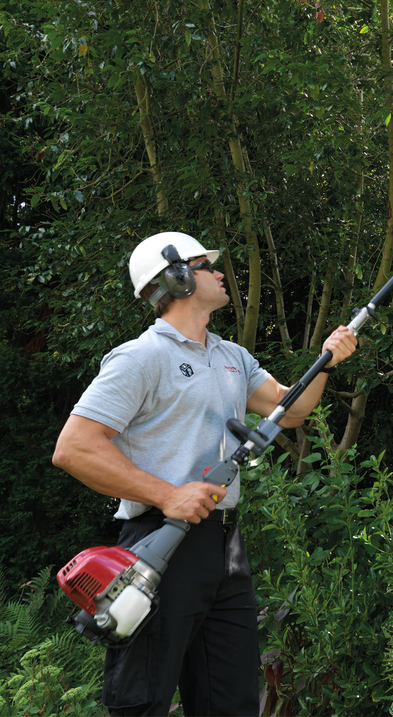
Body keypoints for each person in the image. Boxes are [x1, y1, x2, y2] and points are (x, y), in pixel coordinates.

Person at [52, 231, 357, 716]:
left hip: (224, 548)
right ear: (176, 277)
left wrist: (326, 361)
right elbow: (74, 448)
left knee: (230, 700)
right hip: (161, 543)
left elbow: (288, 410)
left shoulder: (232, 356)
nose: (219, 271)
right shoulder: (141, 358)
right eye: (206, 264)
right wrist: (168, 495)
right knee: (142, 699)